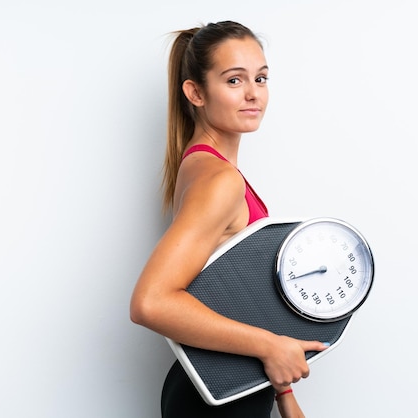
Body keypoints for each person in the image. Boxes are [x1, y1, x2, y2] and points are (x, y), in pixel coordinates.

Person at [130, 21, 328, 418]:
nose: (254, 93)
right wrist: (271, 346)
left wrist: (283, 393)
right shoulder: (219, 180)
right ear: (196, 92)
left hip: (233, 383)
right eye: (234, 80)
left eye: (261, 77)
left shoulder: (206, 169)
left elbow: (235, 298)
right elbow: (150, 302)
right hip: (213, 396)